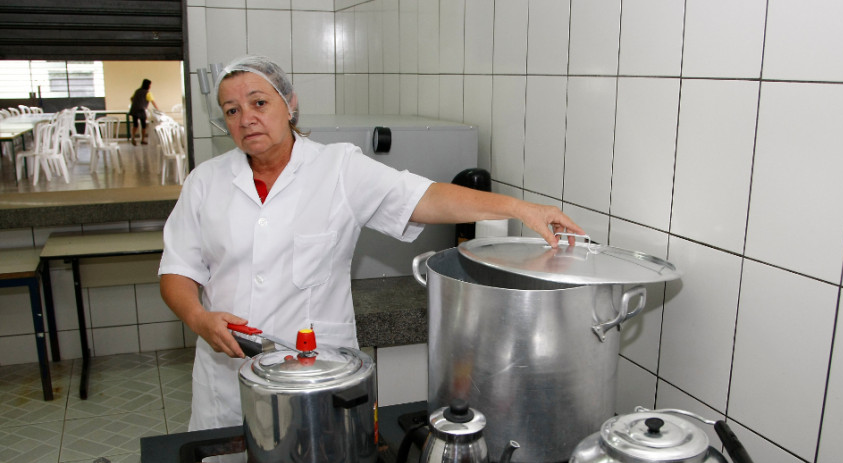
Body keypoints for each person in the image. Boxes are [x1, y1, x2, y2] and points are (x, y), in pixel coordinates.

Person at [158, 54, 584, 432]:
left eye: (259, 102)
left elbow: (425, 197)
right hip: (229, 380)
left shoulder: (338, 167)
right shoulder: (205, 182)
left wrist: (518, 208)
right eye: (231, 110)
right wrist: (198, 319)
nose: (245, 117)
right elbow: (177, 270)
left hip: (317, 375)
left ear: (289, 104)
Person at [128, 78, 160, 145]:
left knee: (135, 125)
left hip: (134, 109)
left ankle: (133, 138)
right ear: (148, 85)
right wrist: (158, 110)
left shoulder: (137, 91)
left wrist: (135, 103)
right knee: (143, 125)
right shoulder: (148, 93)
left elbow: (131, 98)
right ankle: (142, 140)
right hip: (141, 110)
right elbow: (153, 102)